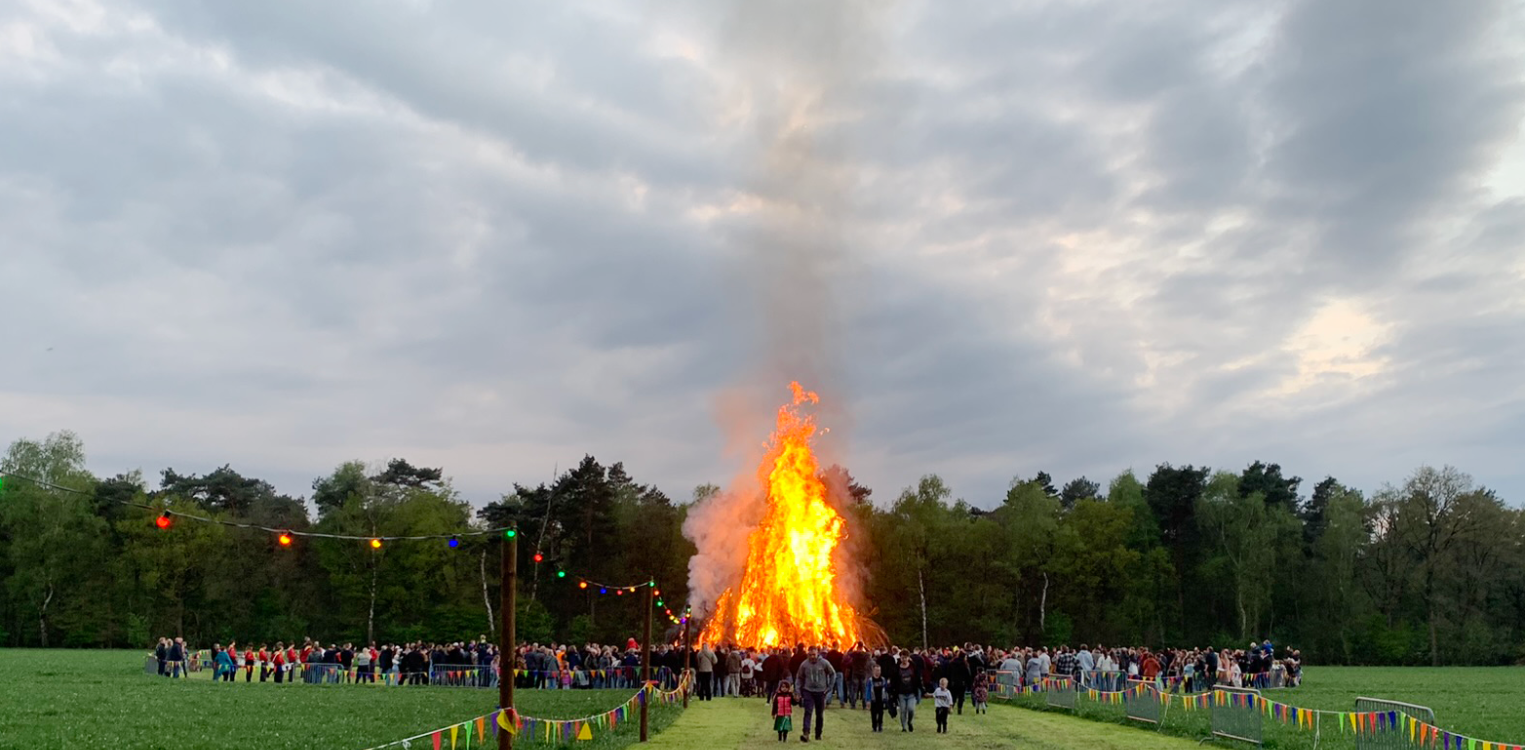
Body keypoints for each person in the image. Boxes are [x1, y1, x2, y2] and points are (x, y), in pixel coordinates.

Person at [794, 647, 836, 743]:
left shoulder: (824, 663)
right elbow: (799, 678)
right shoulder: (804, 664)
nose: (812, 657)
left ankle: (818, 733)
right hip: (808, 691)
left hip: (821, 692)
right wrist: (798, 691)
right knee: (808, 712)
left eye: (814, 654)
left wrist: (829, 688)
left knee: (819, 714)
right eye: (810, 655)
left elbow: (833, 673)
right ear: (808, 654)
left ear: (818, 654)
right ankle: (806, 733)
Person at [894, 652, 919, 732]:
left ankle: (910, 721)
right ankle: (904, 727)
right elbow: (894, 680)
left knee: (911, 709)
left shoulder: (913, 667)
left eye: (905, 657)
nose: (904, 659)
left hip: (911, 692)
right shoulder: (897, 668)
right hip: (901, 692)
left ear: (908, 658)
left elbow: (917, 678)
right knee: (903, 710)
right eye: (902, 658)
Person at [867, 665, 889, 733]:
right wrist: (868, 700)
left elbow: (886, 689)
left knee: (880, 714)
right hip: (874, 700)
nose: (878, 672)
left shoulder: (883, 680)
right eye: (876, 670)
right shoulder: (870, 680)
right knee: (873, 714)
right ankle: (874, 727)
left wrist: (886, 699)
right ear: (873, 671)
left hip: (881, 700)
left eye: (879, 670)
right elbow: (868, 690)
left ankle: (880, 726)